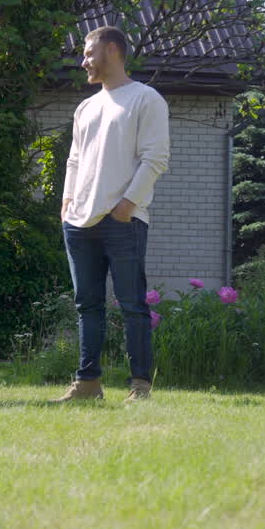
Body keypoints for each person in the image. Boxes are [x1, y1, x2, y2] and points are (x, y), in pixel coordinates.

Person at [54, 25, 170, 403]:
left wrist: (127, 204)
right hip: (79, 222)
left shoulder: (146, 99)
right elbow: (74, 159)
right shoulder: (86, 107)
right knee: (87, 305)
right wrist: (67, 202)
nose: (84, 61)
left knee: (133, 305)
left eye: (89, 53)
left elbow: (155, 158)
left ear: (113, 50)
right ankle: (88, 384)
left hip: (123, 220)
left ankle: (140, 386)